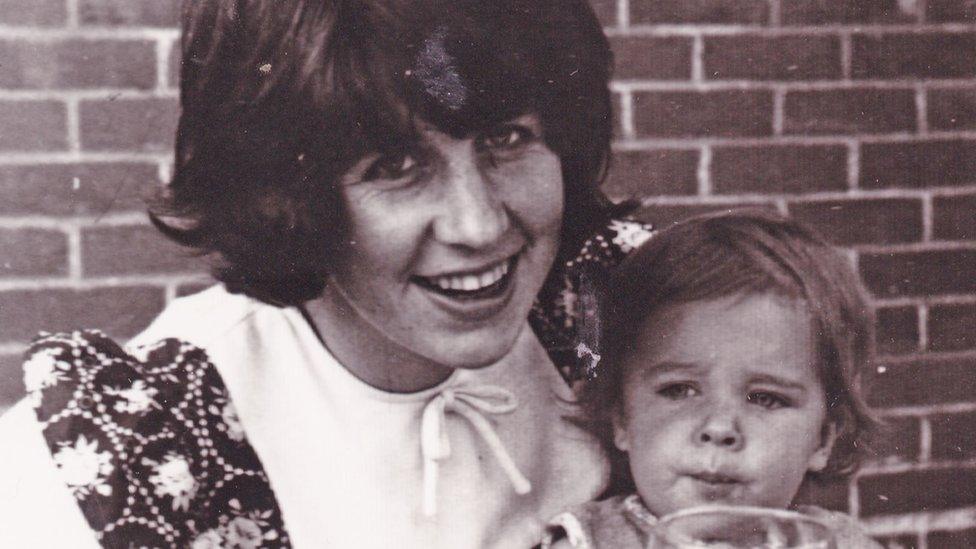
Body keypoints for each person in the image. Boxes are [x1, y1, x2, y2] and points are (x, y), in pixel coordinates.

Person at [0, 1, 653, 547]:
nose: (478, 224)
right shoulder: (131, 456)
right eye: (395, 165)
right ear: (290, 191)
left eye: (507, 138)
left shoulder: (623, 315)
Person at [542, 211, 882, 548]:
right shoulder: (591, 542)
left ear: (823, 438)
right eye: (679, 390)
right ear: (621, 418)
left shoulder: (835, 544)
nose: (719, 429)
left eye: (766, 398)